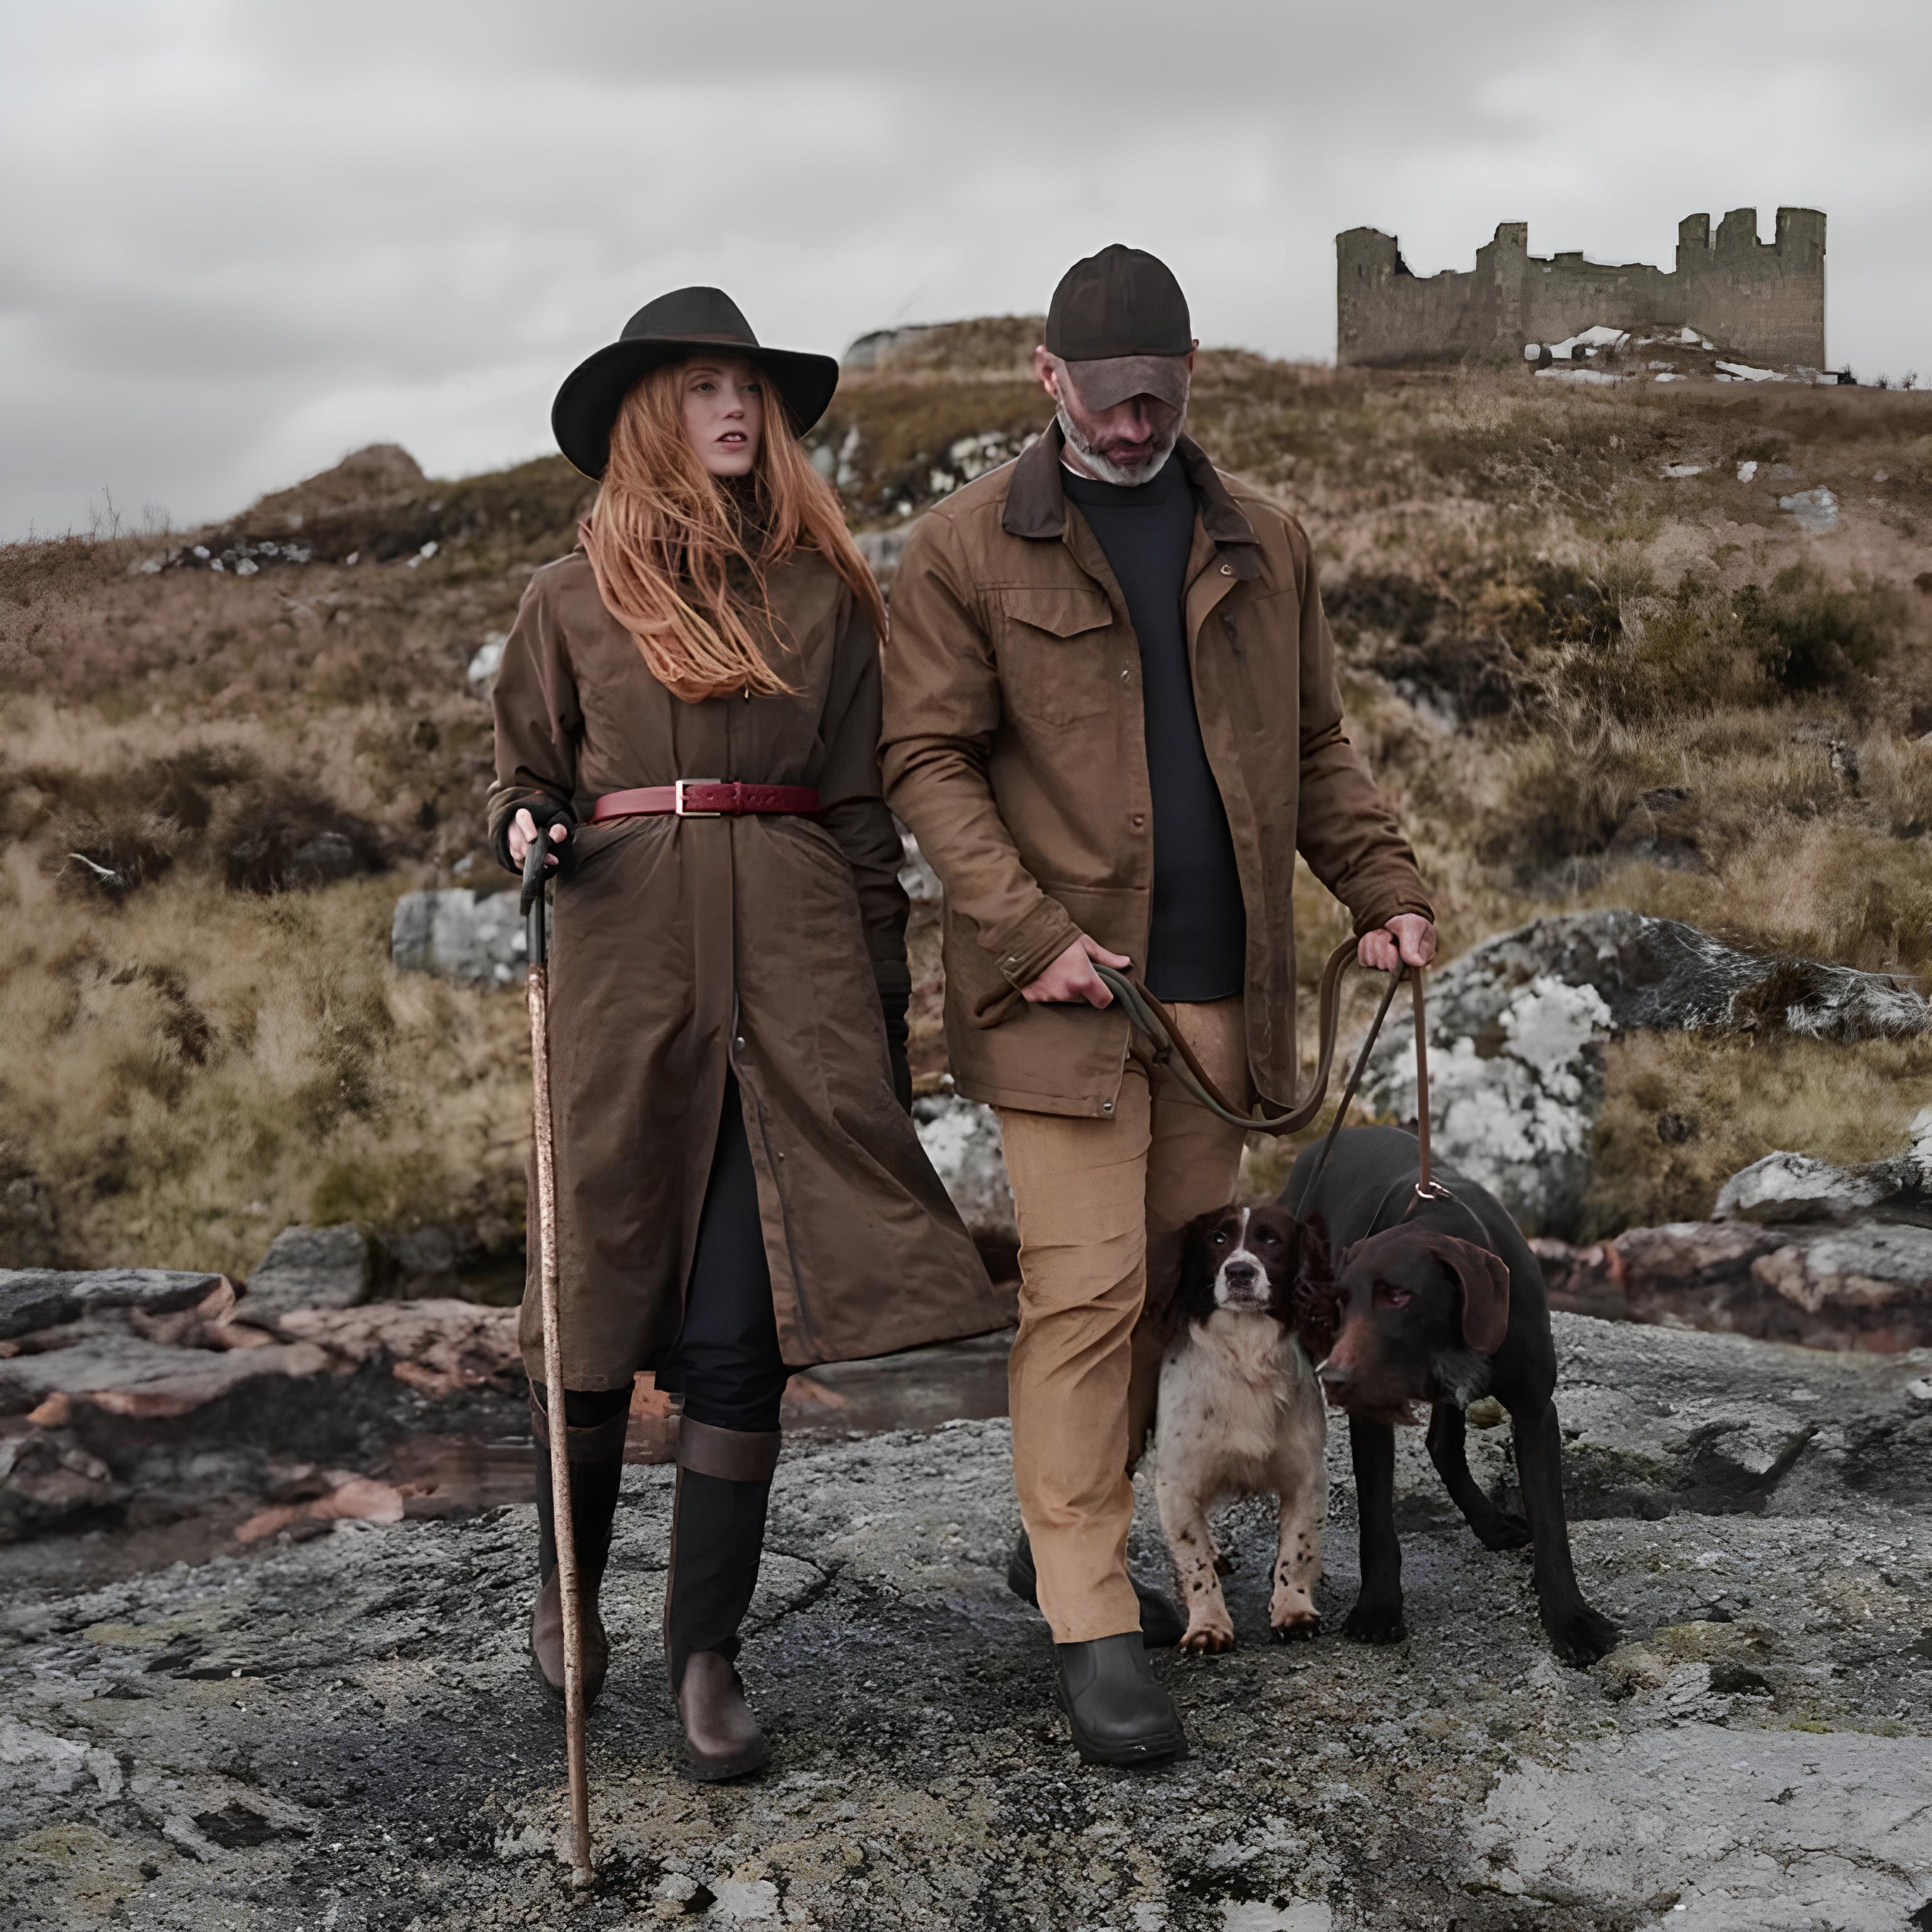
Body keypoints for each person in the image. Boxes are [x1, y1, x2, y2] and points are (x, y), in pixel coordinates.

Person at [880, 245, 1435, 1767]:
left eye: (1159, 398)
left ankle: (1064, 1524)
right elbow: (924, 759)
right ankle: (1091, 1618)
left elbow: (1317, 745)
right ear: (1046, 378)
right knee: (1083, 1293)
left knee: (1179, 1301)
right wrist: (1027, 929)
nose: (1134, 427)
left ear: (1191, 375)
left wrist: (1383, 886)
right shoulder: (958, 550)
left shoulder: (1267, 540)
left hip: (1224, 1014)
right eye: (1108, 400)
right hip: (1060, 1003)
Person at [488, 286, 1008, 1782]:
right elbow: (527, 772)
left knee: (740, 1343)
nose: (736, 410)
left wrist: (878, 998)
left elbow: (860, 814)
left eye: (751, 391)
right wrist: (526, 819)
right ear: (658, 412)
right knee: (587, 1327)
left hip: (794, 989)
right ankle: (568, 1599)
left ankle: (704, 1654)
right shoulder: (567, 595)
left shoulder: (827, 598)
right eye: (708, 386)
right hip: (621, 991)